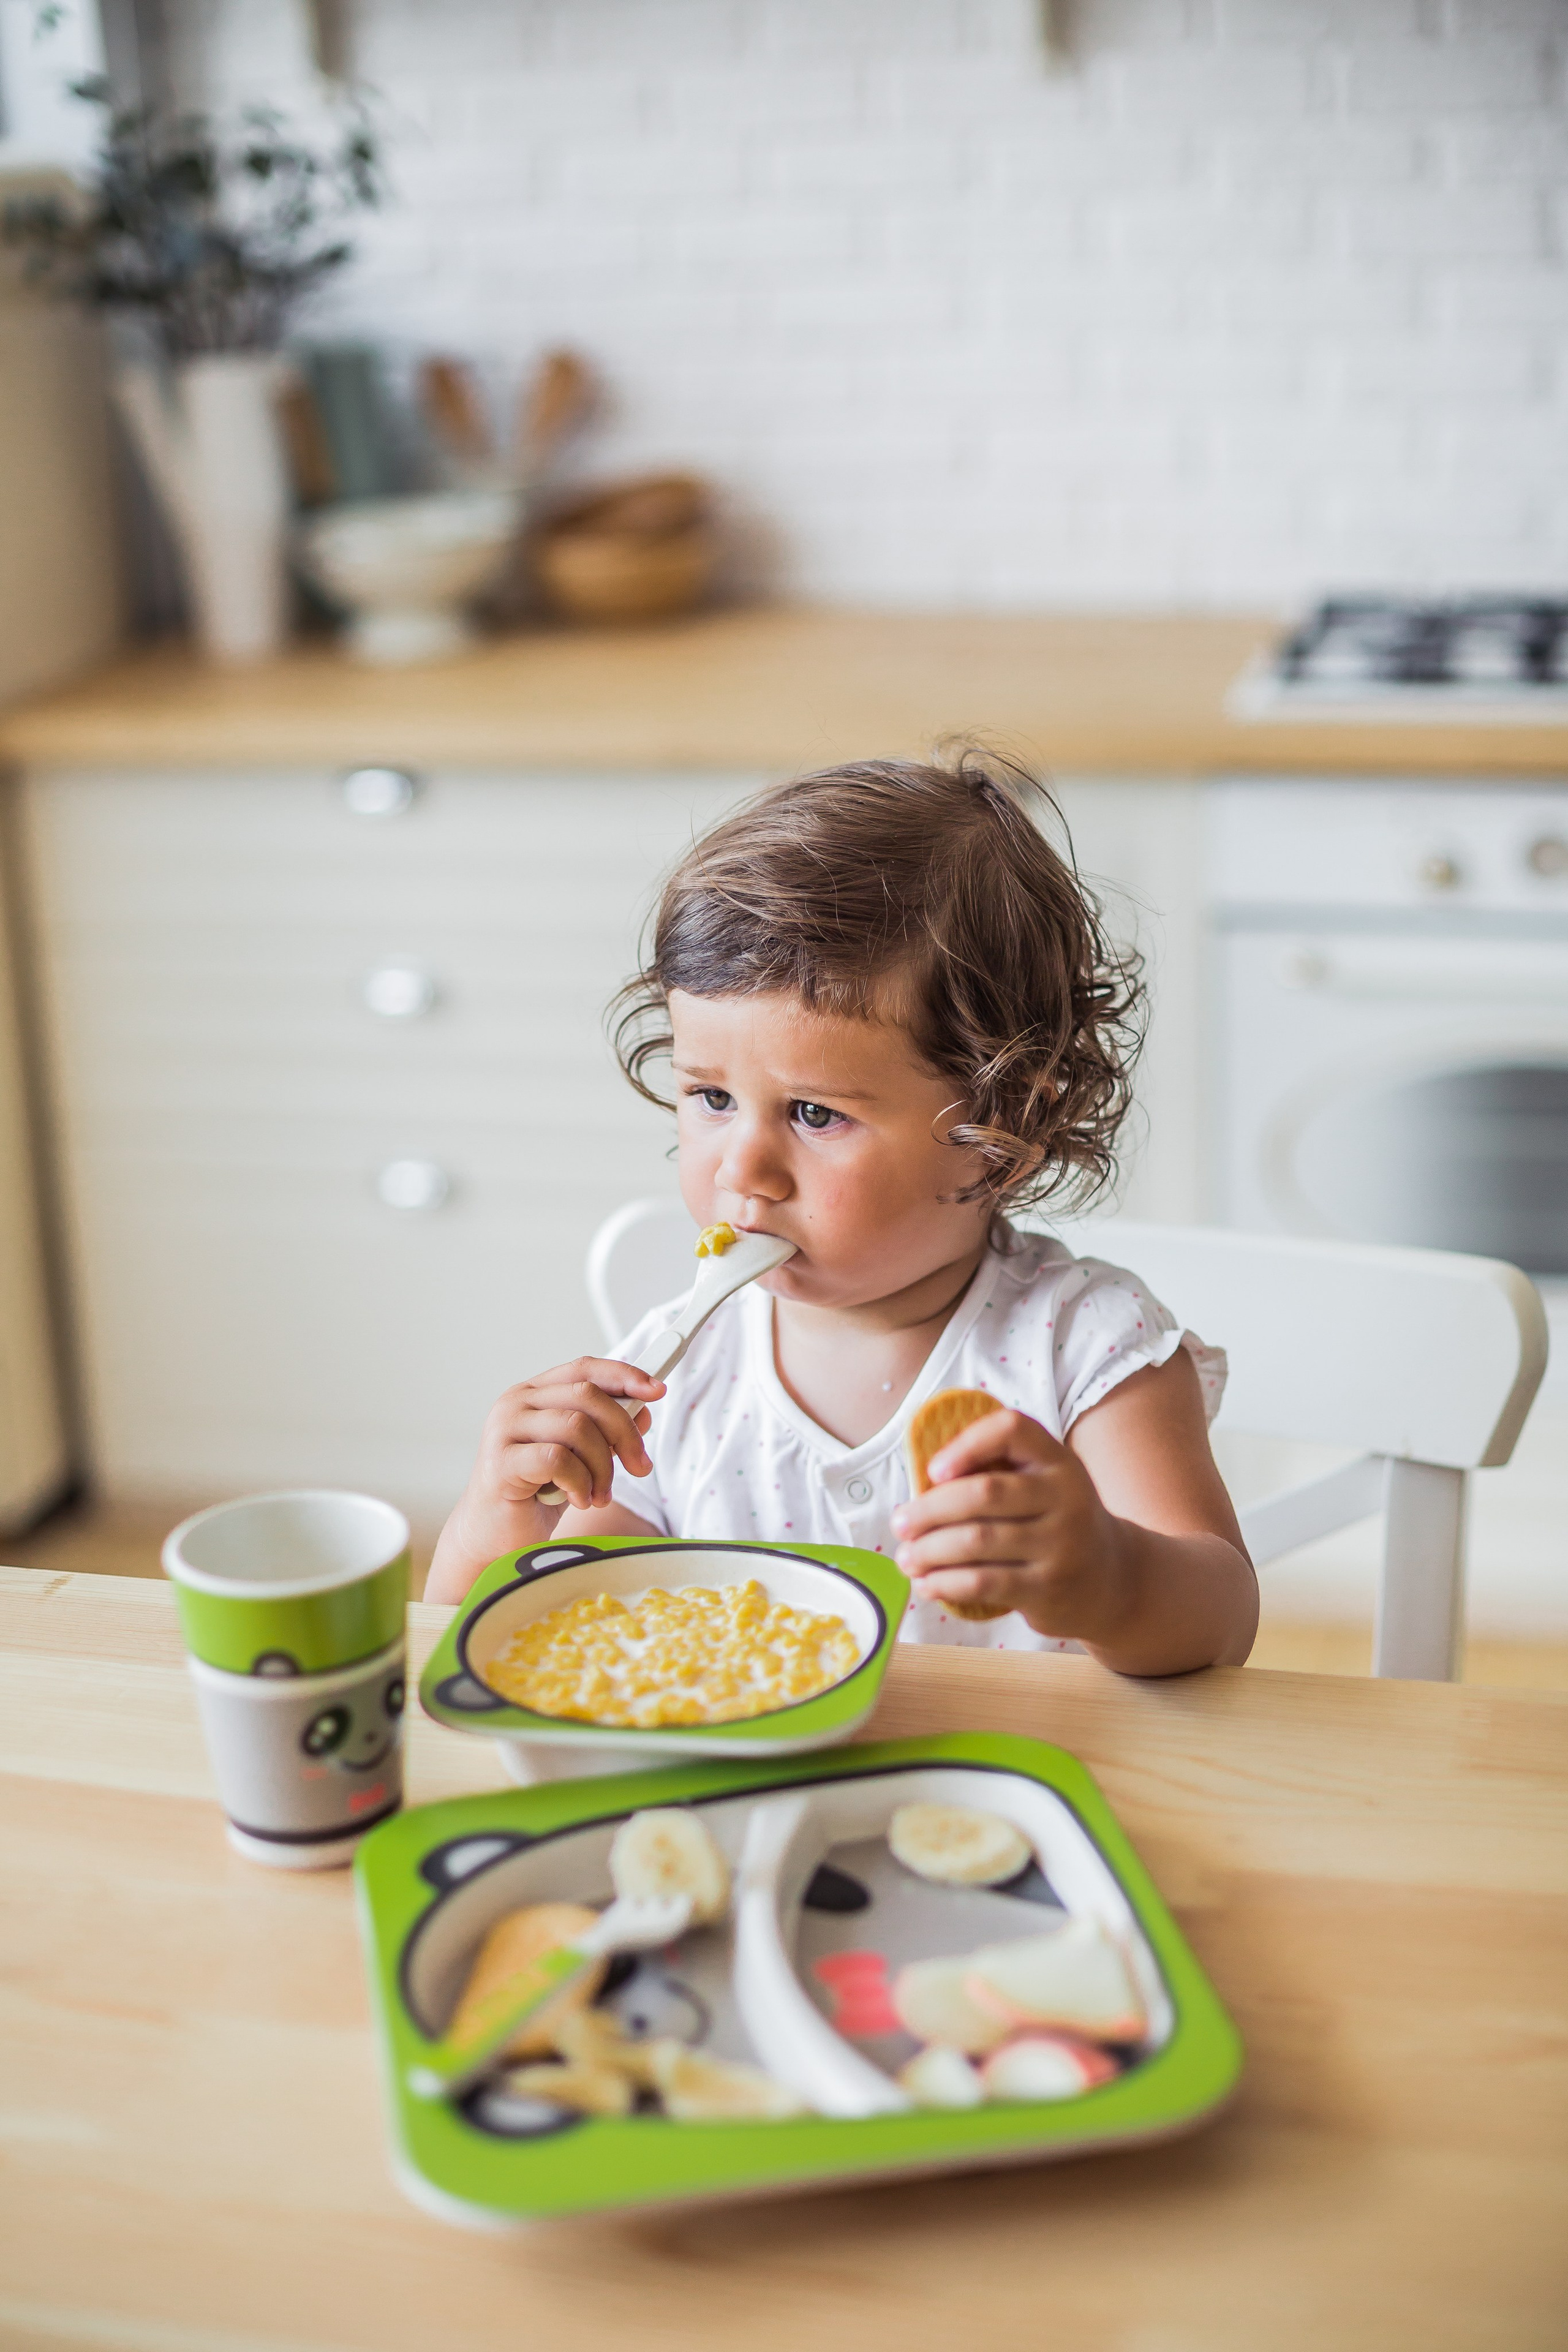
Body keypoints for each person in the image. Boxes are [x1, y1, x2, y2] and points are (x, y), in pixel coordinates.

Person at [427, 751, 1256, 1676]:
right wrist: (494, 1522)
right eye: (710, 1097)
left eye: (816, 1114)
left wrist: (1106, 1575)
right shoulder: (675, 1375)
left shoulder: (1084, 1351)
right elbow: (536, 1642)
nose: (744, 1168)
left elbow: (1219, 1623)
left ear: (1002, 1125)